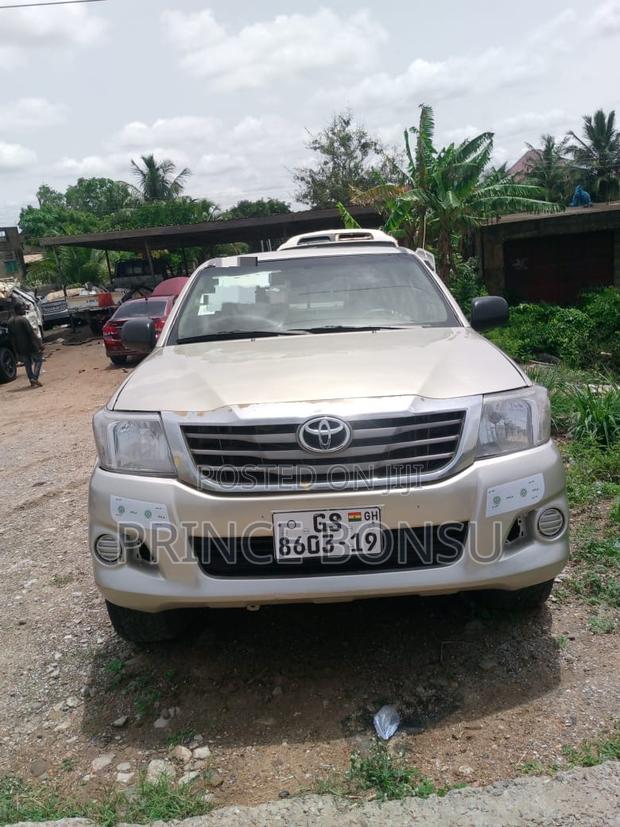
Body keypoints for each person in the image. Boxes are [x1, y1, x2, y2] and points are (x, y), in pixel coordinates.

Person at [8, 303, 44, 388]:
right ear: (17, 310)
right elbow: (31, 333)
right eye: (22, 309)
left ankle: (31, 380)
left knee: (27, 364)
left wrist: (16, 350)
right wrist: (40, 344)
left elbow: (11, 338)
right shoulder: (23, 320)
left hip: (20, 347)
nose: (24, 310)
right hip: (30, 345)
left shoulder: (9, 322)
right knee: (38, 360)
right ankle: (34, 378)